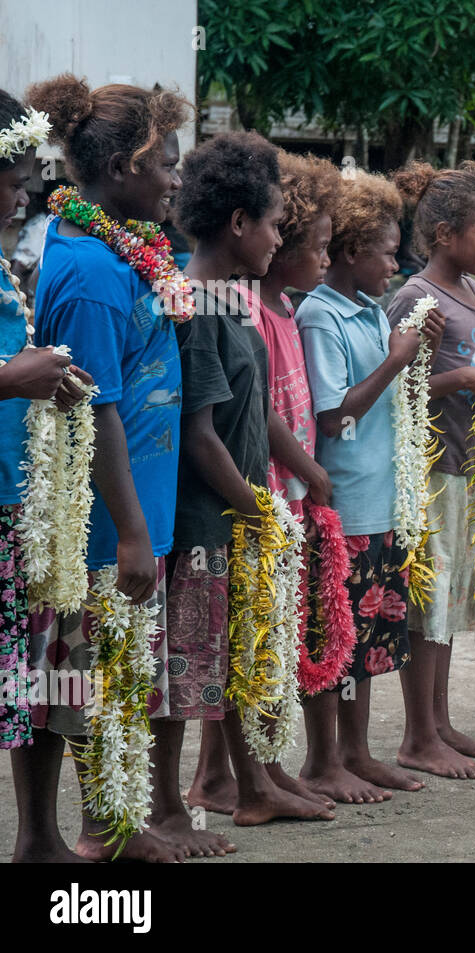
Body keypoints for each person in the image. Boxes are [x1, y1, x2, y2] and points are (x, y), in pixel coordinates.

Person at [27, 74, 196, 862]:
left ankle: (99, 828)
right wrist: (131, 529)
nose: (176, 178)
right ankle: (103, 834)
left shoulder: (112, 250)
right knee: (87, 679)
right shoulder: (93, 275)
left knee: (102, 675)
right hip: (101, 527)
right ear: (125, 167)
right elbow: (95, 409)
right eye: (166, 162)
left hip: (132, 516)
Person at [164, 132, 334, 829]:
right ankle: (195, 797)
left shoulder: (233, 300)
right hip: (210, 520)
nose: (277, 237)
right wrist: (259, 506)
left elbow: (257, 409)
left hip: (239, 514)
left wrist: (298, 479)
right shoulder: (198, 305)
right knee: (196, 669)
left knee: (241, 656)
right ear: (238, 224)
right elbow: (198, 436)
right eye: (272, 224)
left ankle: (257, 782)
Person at [297, 169, 438, 802]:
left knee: (370, 640)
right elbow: (334, 414)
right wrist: (395, 358)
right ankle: (323, 759)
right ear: (351, 252)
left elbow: (387, 403)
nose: (397, 263)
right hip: (344, 507)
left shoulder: (371, 312)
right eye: (387, 250)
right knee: (336, 640)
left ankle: (356, 751)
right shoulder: (321, 315)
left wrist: (408, 356)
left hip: (381, 503)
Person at [389, 161, 475, 779]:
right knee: (428, 601)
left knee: (448, 603)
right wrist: (466, 378)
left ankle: (440, 724)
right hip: (433, 469)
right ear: (444, 234)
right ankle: (418, 735)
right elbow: (401, 387)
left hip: (472, 464)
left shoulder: (474, 293)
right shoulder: (416, 297)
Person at [0, 86, 100, 862]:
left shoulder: (5, 266)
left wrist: (47, 382)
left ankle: (39, 838)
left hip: (21, 505)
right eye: (14, 174)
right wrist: (11, 376)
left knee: (36, 677)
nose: (27, 192)